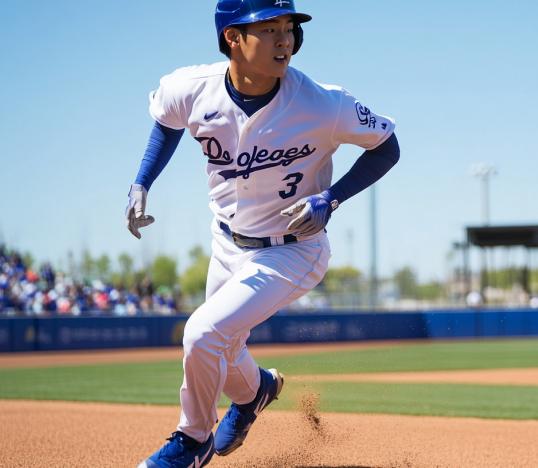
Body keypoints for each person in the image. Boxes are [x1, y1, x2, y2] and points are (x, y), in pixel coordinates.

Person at [127, 2, 400, 467]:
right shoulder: (190, 88)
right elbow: (166, 122)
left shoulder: (323, 102)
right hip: (227, 241)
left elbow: (387, 146)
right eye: (269, 28)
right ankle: (258, 392)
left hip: (293, 250)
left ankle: (192, 441)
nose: (285, 39)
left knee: (202, 334)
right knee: (225, 346)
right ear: (233, 37)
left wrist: (331, 198)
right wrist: (141, 182)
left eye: (289, 28)